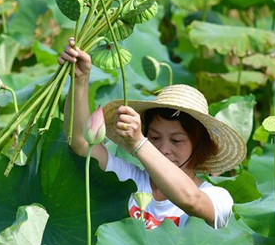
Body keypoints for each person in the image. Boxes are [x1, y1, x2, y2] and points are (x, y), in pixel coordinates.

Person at [60, 38, 246, 230]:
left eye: (176, 140)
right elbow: (82, 144)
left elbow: (191, 200)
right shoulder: (130, 181)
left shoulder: (218, 198)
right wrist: (80, 80)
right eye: (155, 138)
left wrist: (139, 143)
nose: (164, 149)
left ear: (199, 146)